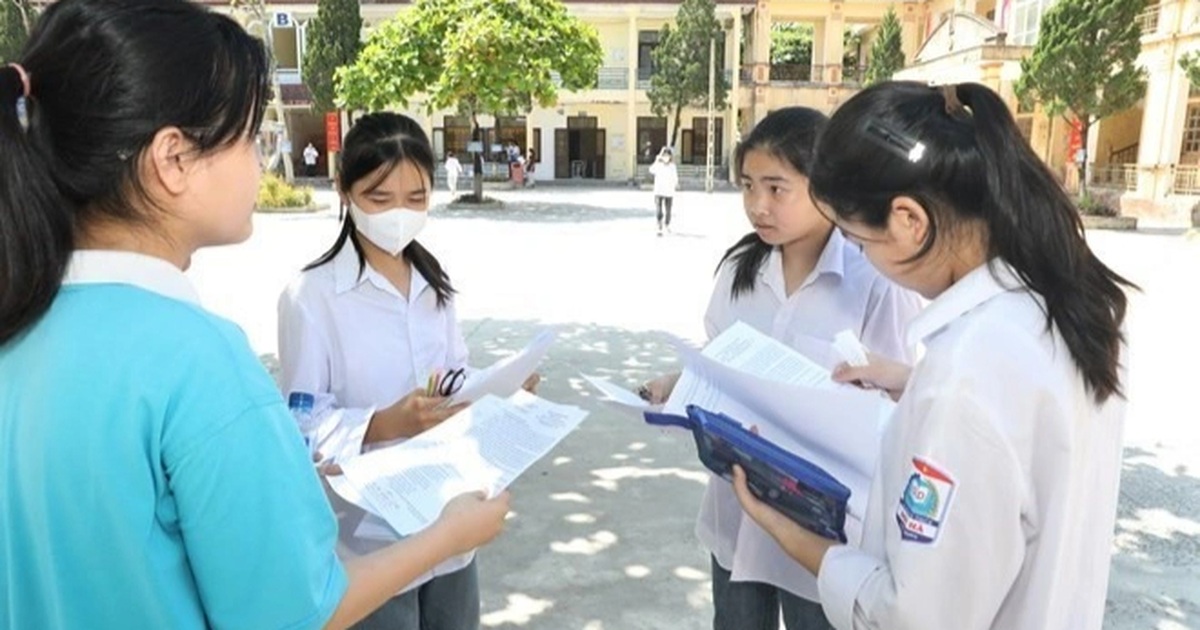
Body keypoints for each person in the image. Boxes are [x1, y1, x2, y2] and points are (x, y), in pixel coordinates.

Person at [0, 2, 509, 628]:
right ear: (174, 159)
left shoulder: (21, 325)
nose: (260, 161)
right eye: (249, 137)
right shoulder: (199, 361)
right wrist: (448, 534)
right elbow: (295, 610)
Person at [731, 82, 1134, 629]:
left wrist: (792, 535)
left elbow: (913, 617)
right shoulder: (1073, 302)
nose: (862, 258)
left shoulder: (966, 372)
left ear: (909, 221)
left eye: (859, 240)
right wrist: (910, 382)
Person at [640, 107, 923, 630]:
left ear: (824, 186)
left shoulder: (875, 280)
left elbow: (901, 401)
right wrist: (676, 385)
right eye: (748, 186)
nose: (757, 206)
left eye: (776, 188)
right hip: (738, 506)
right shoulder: (739, 270)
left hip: (827, 527)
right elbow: (723, 368)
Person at [279, 112, 537, 630]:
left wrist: (500, 388)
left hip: (449, 516)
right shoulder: (312, 297)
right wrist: (384, 424)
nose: (399, 213)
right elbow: (300, 427)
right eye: (379, 198)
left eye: (416, 198)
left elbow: (452, 373)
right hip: (371, 540)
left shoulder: (431, 283)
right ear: (343, 190)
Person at [649, 146, 679, 236]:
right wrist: (656, 161)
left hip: (669, 191)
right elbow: (651, 170)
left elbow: (675, 177)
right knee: (659, 210)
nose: (666, 157)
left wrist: (675, 185)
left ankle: (667, 224)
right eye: (664, 155)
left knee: (668, 210)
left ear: (670, 156)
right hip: (658, 190)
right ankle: (659, 226)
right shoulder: (658, 165)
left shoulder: (672, 166)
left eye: (668, 155)